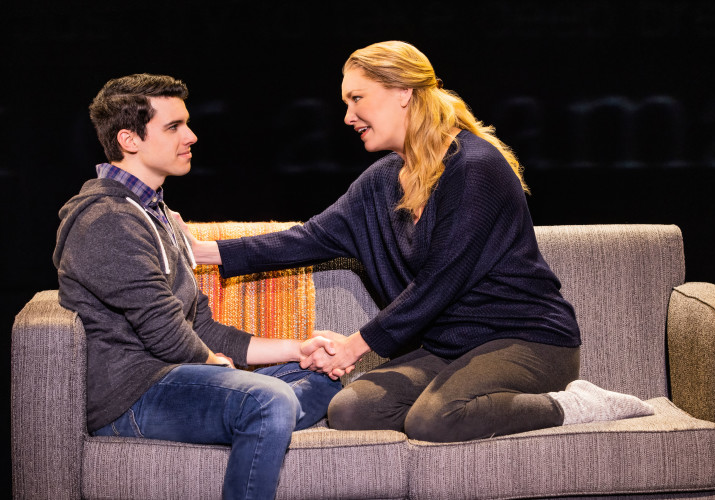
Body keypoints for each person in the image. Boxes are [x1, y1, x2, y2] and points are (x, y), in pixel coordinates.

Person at [190, 41, 654, 442]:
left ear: (403, 94)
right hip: (452, 347)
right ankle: (462, 397)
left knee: (435, 420)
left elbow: (441, 281)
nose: (348, 116)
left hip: (527, 341)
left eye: (357, 99)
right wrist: (201, 249)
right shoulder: (382, 181)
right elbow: (310, 237)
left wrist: (355, 346)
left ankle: (578, 406)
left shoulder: (475, 167)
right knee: (352, 410)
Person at [53, 73, 342, 500]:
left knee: (325, 374)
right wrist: (219, 367)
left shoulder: (157, 213)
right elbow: (165, 331)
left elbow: (201, 326)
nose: (191, 135)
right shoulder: (108, 220)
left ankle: (262, 413)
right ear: (129, 140)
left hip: (177, 375)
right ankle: (264, 414)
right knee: (268, 401)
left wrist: (298, 349)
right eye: (173, 127)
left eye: (186, 122)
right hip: (134, 394)